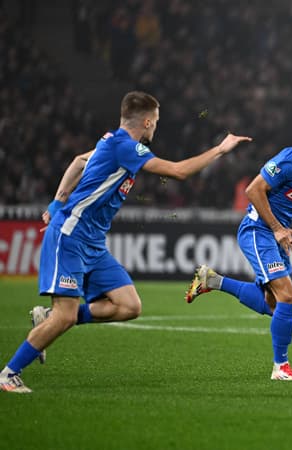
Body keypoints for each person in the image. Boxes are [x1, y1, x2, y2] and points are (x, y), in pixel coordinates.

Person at [0, 91, 252, 393]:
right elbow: (178, 171)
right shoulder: (124, 146)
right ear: (146, 122)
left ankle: (48, 321)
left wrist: (56, 202)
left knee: (129, 306)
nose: (156, 128)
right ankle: (9, 374)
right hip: (70, 236)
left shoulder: (110, 141)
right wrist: (221, 150)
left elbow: (79, 161)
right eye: (155, 122)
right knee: (65, 315)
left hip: (92, 242)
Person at [184, 121, 292, 381]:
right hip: (258, 230)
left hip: (277, 236)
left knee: (273, 304)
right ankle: (281, 367)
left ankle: (213, 280)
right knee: (288, 296)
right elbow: (253, 190)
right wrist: (277, 228)